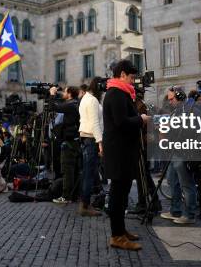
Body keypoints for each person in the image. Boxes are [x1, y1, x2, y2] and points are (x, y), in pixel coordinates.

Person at [103, 59, 149, 251]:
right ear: (122, 74)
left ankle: (121, 231)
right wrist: (141, 119)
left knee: (122, 195)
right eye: (131, 77)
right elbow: (121, 122)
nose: (133, 81)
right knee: (118, 194)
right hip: (118, 152)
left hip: (123, 151)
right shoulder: (116, 94)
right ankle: (116, 235)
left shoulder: (121, 93)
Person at [160, 86, 198, 224]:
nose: (170, 102)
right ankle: (175, 210)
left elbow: (195, 130)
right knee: (172, 180)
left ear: (180, 96)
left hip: (184, 152)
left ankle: (190, 214)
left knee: (187, 184)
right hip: (174, 151)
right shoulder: (177, 110)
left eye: (172, 99)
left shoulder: (192, 109)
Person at [49, 86, 81, 204]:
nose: (63, 93)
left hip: (69, 142)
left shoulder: (70, 105)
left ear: (70, 93)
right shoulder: (75, 103)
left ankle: (66, 196)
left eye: (65, 91)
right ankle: (74, 195)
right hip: (75, 140)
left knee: (67, 169)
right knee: (74, 170)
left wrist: (52, 94)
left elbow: (53, 107)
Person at [78, 77, 104, 216]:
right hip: (91, 139)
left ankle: (85, 204)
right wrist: (100, 143)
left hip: (87, 138)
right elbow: (95, 123)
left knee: (89, 173)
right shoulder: (92, 100)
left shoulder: (86, 98)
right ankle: (85, 205)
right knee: (89, 174)